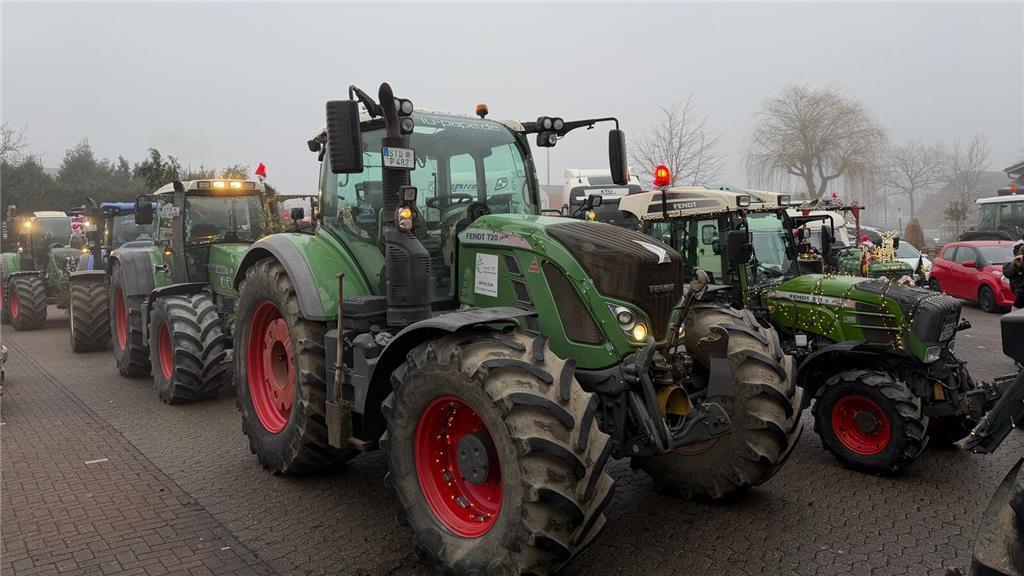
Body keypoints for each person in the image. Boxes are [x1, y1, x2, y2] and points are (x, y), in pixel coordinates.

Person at [1001, 240, 1024, 311]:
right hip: (1019, 301)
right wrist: (1016, 265)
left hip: (1019, 299)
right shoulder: (1014, 265)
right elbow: (1008, 273)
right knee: (1014, 320)